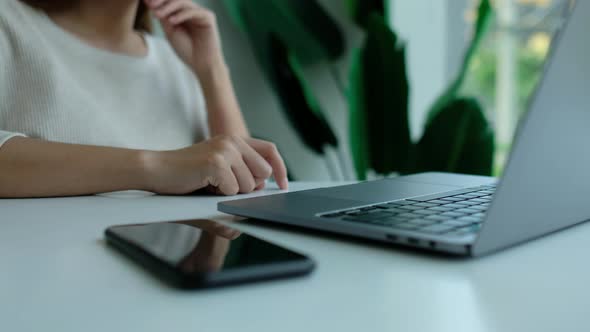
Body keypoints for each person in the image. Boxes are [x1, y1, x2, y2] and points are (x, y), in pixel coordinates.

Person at [0, 0, 289, 198]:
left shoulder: (177, 60)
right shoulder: (9, 21)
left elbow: (245, 184)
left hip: (168, 281)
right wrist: (158, 167)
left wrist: (212, 69)